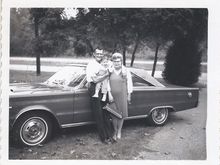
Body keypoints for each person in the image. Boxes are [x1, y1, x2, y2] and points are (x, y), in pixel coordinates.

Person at [86, 48, 114, 144]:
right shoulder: (91, 64)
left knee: (106, 112)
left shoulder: (104, 63)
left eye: (101, 54)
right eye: (97, 53)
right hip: (94, 89)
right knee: (98, 114)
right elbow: (95, 80)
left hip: (104, 88)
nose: (99, 55)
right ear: (94, 54)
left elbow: (113, 66)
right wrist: (107, 75)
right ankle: (103, 137)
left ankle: (110, 135)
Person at [109, 52, 133, 141]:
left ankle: (119, 131)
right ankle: (114, 131)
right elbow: (107, 83)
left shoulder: (126, 71)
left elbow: (129, 84)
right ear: (112, 62)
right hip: (112, 96)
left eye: (118, 61)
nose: (117, 63)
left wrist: (129, 94)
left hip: (122, 95)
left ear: (121, 61)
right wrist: (109, 94)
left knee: (121, 114)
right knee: (114, 115)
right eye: (115, 61)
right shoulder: (110, 70)